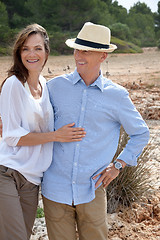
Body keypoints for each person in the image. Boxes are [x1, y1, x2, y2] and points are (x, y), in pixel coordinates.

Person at [41, 22, 150, 240]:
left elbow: (141, 133)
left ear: (103, 56)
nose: (79, 55)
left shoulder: (117, 96)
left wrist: (118, 165)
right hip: (54, 189)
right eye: (77, 49)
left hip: (92, 189)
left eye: (87, 51)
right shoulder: (53, 88)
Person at [0, 23, 85, 240]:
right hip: (7, 172)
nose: (31, 54)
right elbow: (11, 136)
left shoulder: (46, 85)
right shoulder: (13, 84)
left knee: (23, 235)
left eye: (37, 48)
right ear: (19, 53)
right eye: (25, 48)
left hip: (33, 179)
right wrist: (56, 136)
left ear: (46, 52)